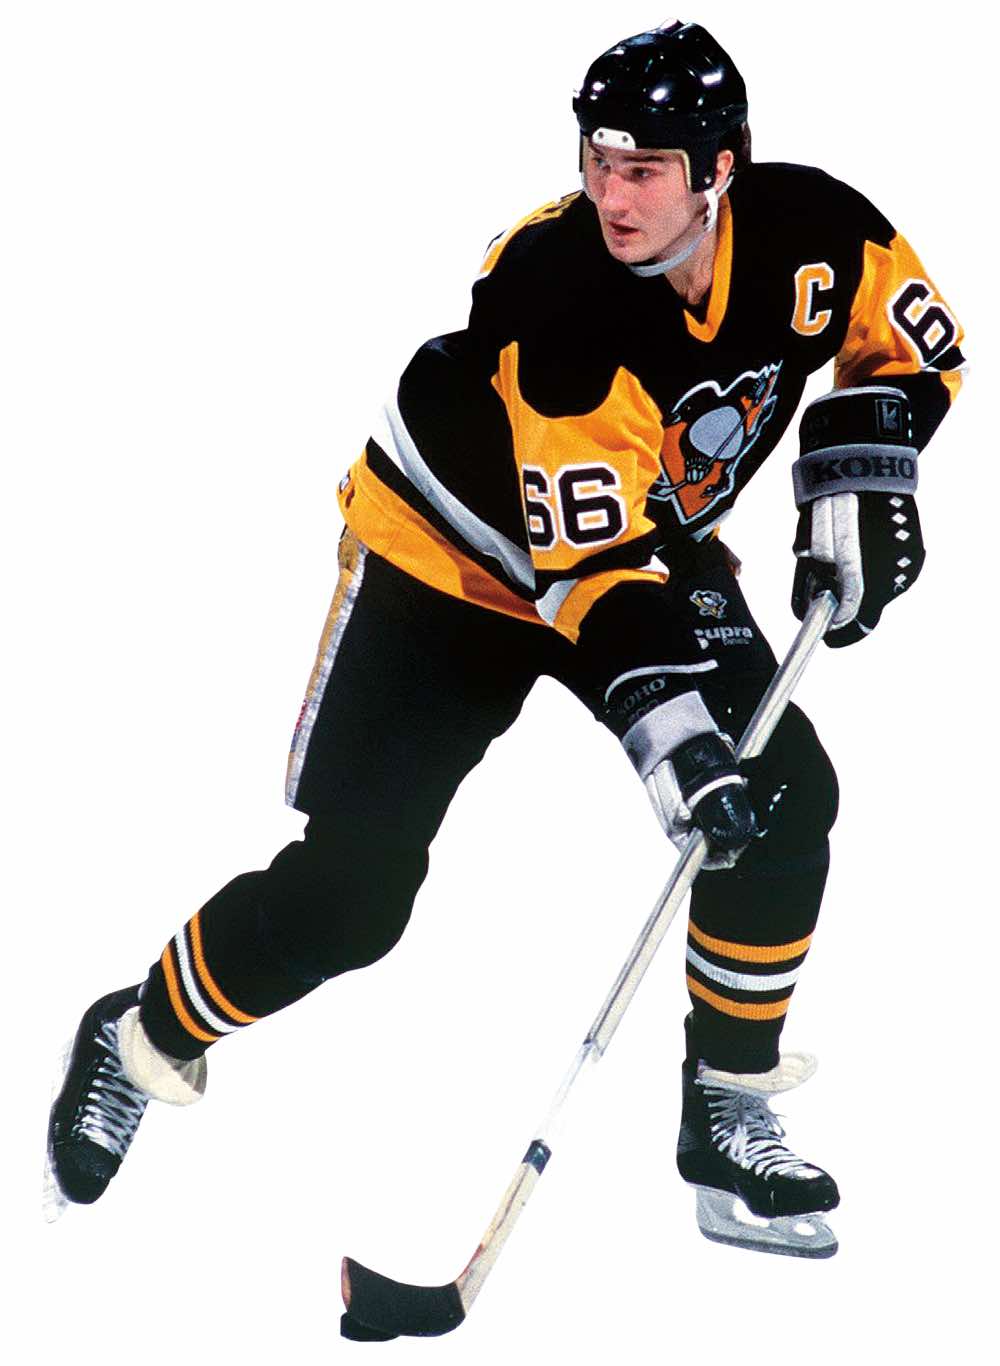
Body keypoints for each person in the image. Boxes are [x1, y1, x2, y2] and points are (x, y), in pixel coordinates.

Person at [45, 20, 964, 1261]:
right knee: (357, 894)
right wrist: (676, 747)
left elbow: (918, 346)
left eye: (644, 168)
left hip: (639, 539)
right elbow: (585, 574)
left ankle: (724, 1110)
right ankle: (139, 1034)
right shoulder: (556, 292)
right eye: (598, 159)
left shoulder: (820, 232)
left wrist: (865, 460)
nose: (611, 195)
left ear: (721, 167)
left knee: (786, 790)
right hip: (451, 561)